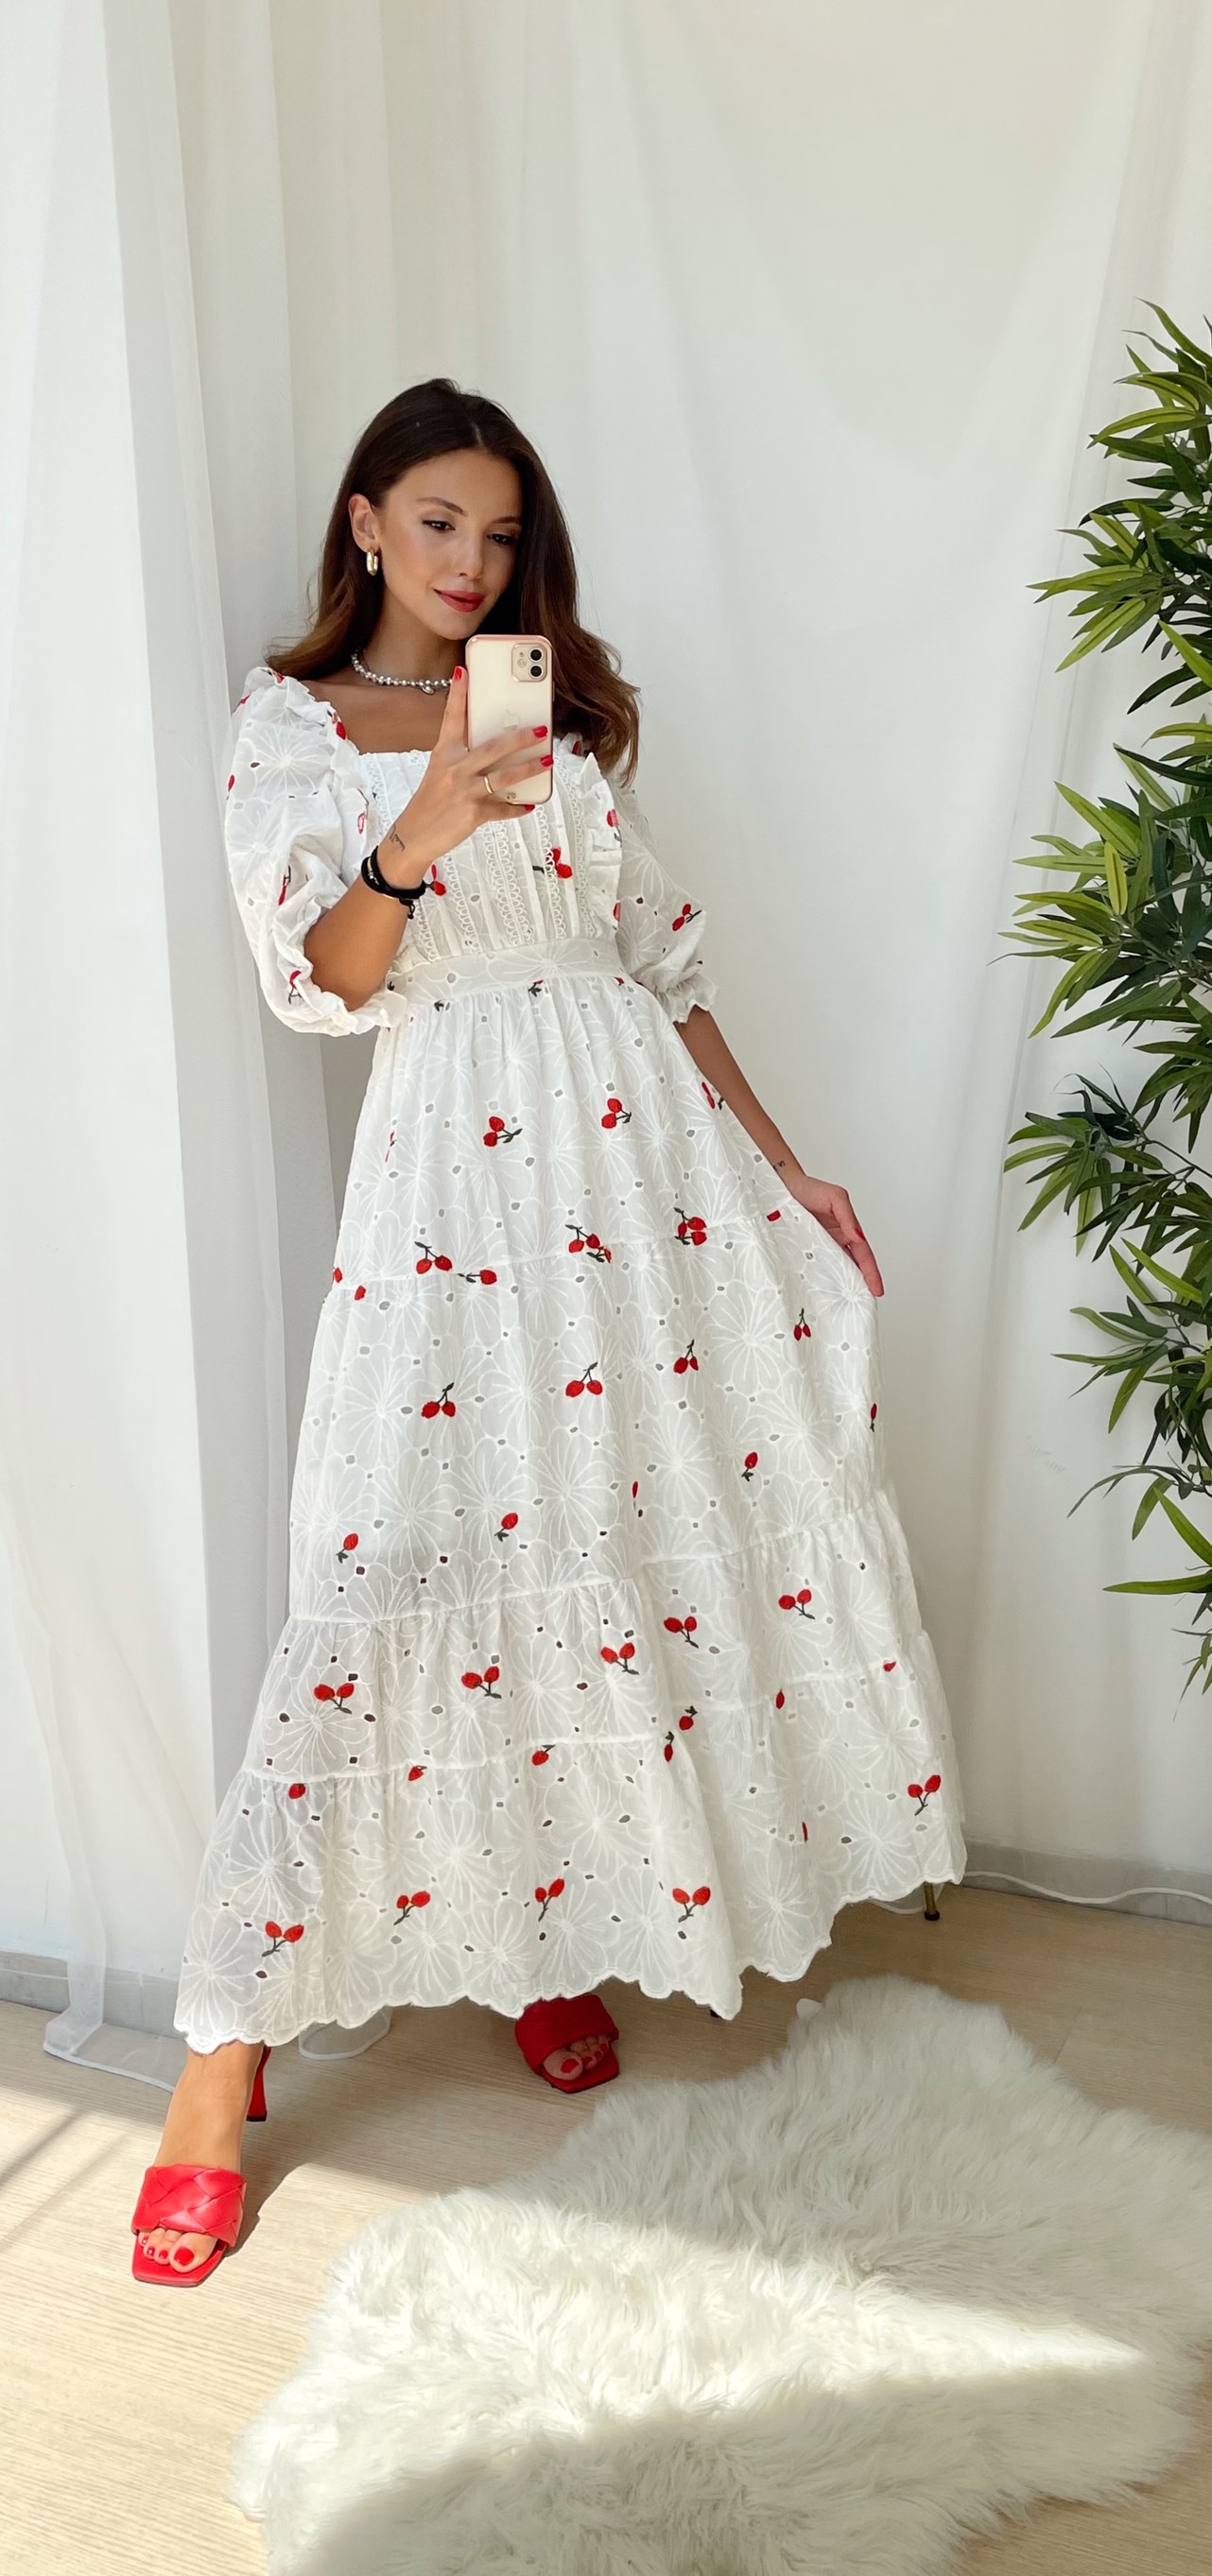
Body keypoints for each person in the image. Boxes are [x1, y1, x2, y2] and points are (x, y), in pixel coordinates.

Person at [130, 377, 964, 2284]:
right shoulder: (294, 730)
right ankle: (219, 2059)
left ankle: (548, 1933)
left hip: (637, 1182)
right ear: (364, 523)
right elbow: (316, 984)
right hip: (452, 1184)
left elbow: (660, 964)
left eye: (500, 536)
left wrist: (785, 1164)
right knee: (382, 1569)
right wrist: (422, 819)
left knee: (598, 1546)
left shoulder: (555, 721)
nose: (470, 562)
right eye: (437, 522)